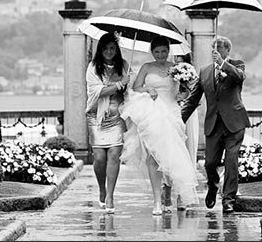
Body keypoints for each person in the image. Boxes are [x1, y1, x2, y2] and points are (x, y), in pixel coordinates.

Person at [121, 35, 199, 215]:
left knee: (174, 154)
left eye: (164, 51)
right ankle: (157, 201)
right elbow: (135, 88)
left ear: (169, 51)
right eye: (156, 52)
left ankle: (176, 193)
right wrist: (148, 89)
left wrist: (184, 94)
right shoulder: (147, 67)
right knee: (153, 156)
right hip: (153, 112)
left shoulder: (176, 68)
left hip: (172, 112)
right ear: (152, 52)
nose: (160, 55)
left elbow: (188, 91)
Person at [180, 35, 250, 214]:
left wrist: (223, 64)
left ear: (227, 50)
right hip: (213, 124)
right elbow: (193, 99)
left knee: (231, 161)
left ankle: (228, 199)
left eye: (219, 49)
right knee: (210, 163)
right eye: (213, 50)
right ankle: (213, 186)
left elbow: (240, 77)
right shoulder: (204, 72)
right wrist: (178, 120)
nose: (215, 52)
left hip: (234, 124)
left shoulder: (237, 64)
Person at [85, 32, 130, 214]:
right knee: (99, 158)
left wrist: (127, 84)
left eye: (112, 48)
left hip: (117, 115)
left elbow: (129, 90)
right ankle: (101, 188)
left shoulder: (124, 66)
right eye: (105, 48)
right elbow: (97, 92)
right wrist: (118, 85)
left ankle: (110, 195)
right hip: (96, 115)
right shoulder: (93, 67)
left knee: (113, 155)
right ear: (100, 50)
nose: (109, 51)